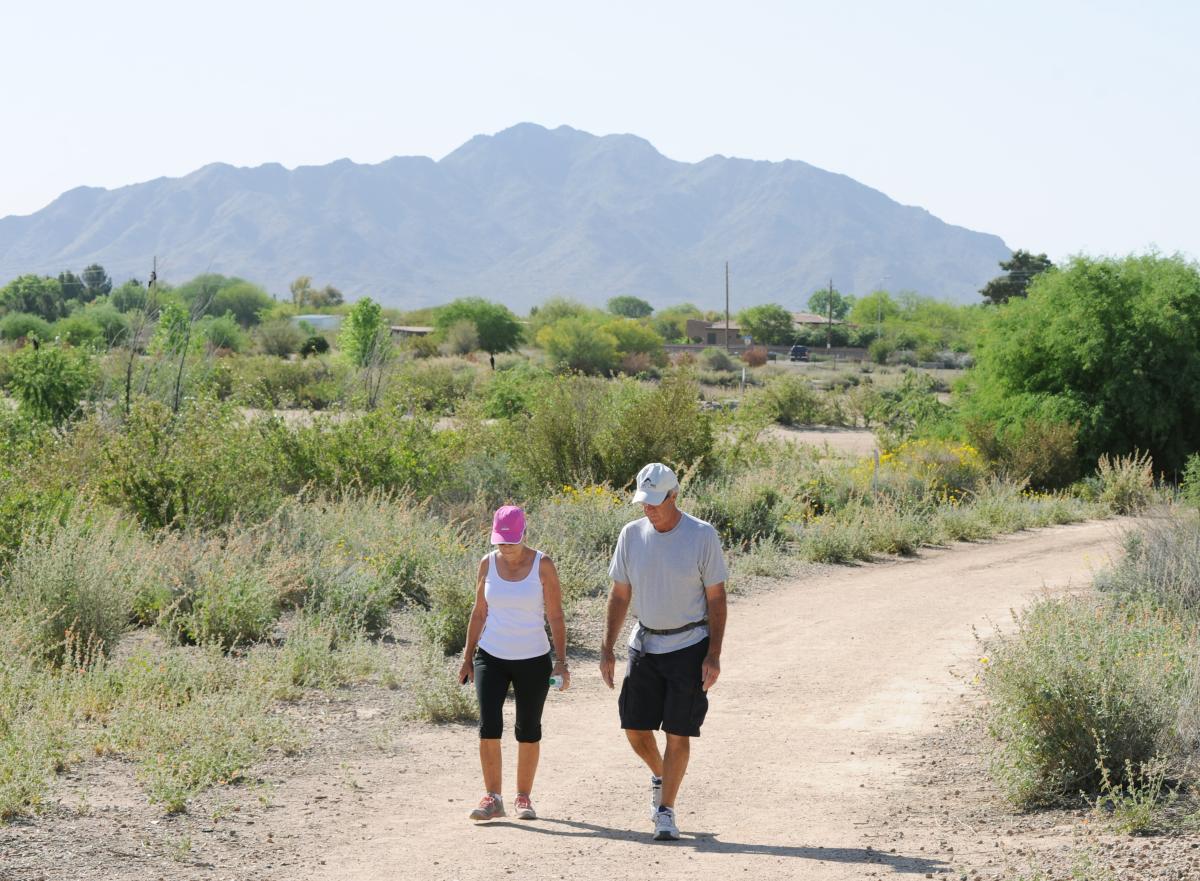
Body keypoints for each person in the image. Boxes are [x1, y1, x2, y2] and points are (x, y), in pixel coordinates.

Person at [599, 462, 728, 841]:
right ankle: (662, 774)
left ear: (674, 496)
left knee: (677, 731)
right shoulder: (631, 535)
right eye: (644, 501)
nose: (648, 509)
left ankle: (665, 811)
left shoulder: (701, 535)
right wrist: (607, 648)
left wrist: (714, 654)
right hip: (645, 644)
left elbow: (717, 599)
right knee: (635, 729)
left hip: (690, 645)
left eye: (656, 502)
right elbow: (620, 594)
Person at [459, 505, 569, 822]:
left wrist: (561, 663)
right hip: (490, 656)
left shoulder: (543, 565)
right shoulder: (487, 564)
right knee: (489, 725)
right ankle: (493, 798)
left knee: (528, 729)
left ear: (524, 534)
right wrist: (467, 656)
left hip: (533, 658)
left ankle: (523, 797)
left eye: (511, 541)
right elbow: (479, 612)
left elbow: (556, 616)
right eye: (500, 541)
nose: (505, 547)